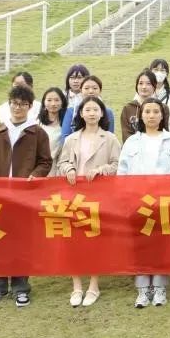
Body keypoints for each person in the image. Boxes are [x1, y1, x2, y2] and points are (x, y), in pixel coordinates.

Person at [0, 85, 53, 307]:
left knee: (21, 242)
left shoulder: (37, 133)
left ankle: (20, 287)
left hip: (22, 198)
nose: (18, 108)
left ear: (30, 107)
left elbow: (45, 161)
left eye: (23, 104)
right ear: (9, 105)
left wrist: (36, 175)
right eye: (15, 103)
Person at [118, 98, 170, 308]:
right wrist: (127, 199)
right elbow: (122, 171)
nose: (151, 115)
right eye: (147, 112)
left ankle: (160, 287)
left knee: (161, 244)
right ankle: (143, 289)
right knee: (140, 244)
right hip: (138, 201)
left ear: (162, 115)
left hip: (162, 200)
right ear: (141, 116)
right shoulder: (132, 142)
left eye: (156, 111)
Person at [57, 96, 120, 307]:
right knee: (73, 241)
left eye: (95, 109)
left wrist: (101, 170)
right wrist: (69, 169)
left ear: (102, 113)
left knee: (95, 241)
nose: (91, 113)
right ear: (81, 114)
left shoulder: (110, 138)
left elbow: (117, 164)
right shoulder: (71, 139)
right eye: (87, 109)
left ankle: (94, 285)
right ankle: (76, 286)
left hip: (98, 197)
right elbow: (61, 163)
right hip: (74, 196)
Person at [59, 76, 115, 145]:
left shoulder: (107, 112)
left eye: (95, 88)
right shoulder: (72, 111)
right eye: (86, 88)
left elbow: (110, 139)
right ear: (81, 90)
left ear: (100, 90)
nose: (91, 91)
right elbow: (65, 138)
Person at [120, 70, 159, 141]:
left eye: (148, 83)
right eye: (140, 83)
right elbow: (126, 135)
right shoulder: (128, 108)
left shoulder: (162, 108)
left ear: (154, 86)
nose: (144, 87)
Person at [37, 87, 67, 167]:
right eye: (49, 100)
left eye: (57, 100)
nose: (53, 104)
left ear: (62, 102)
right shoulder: (37, 123)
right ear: (44, 102)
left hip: (59, 165)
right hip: (40, 165)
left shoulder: (67, 124)